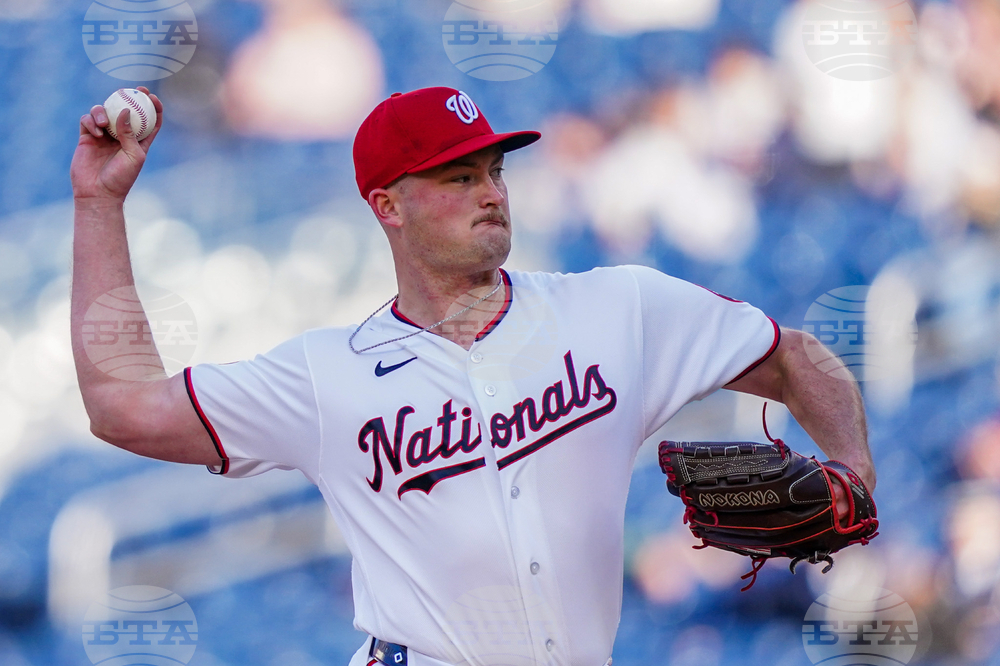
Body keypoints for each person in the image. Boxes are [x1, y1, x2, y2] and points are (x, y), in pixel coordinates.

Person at [71, 85, 876, 666]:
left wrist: (856, 470)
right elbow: (123, 406)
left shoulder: (619, 309)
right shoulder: (325, 375)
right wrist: (99, 205)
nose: (490, 193)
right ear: (388, 206)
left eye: (494, 172)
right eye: (458, 178)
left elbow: (797, 359)